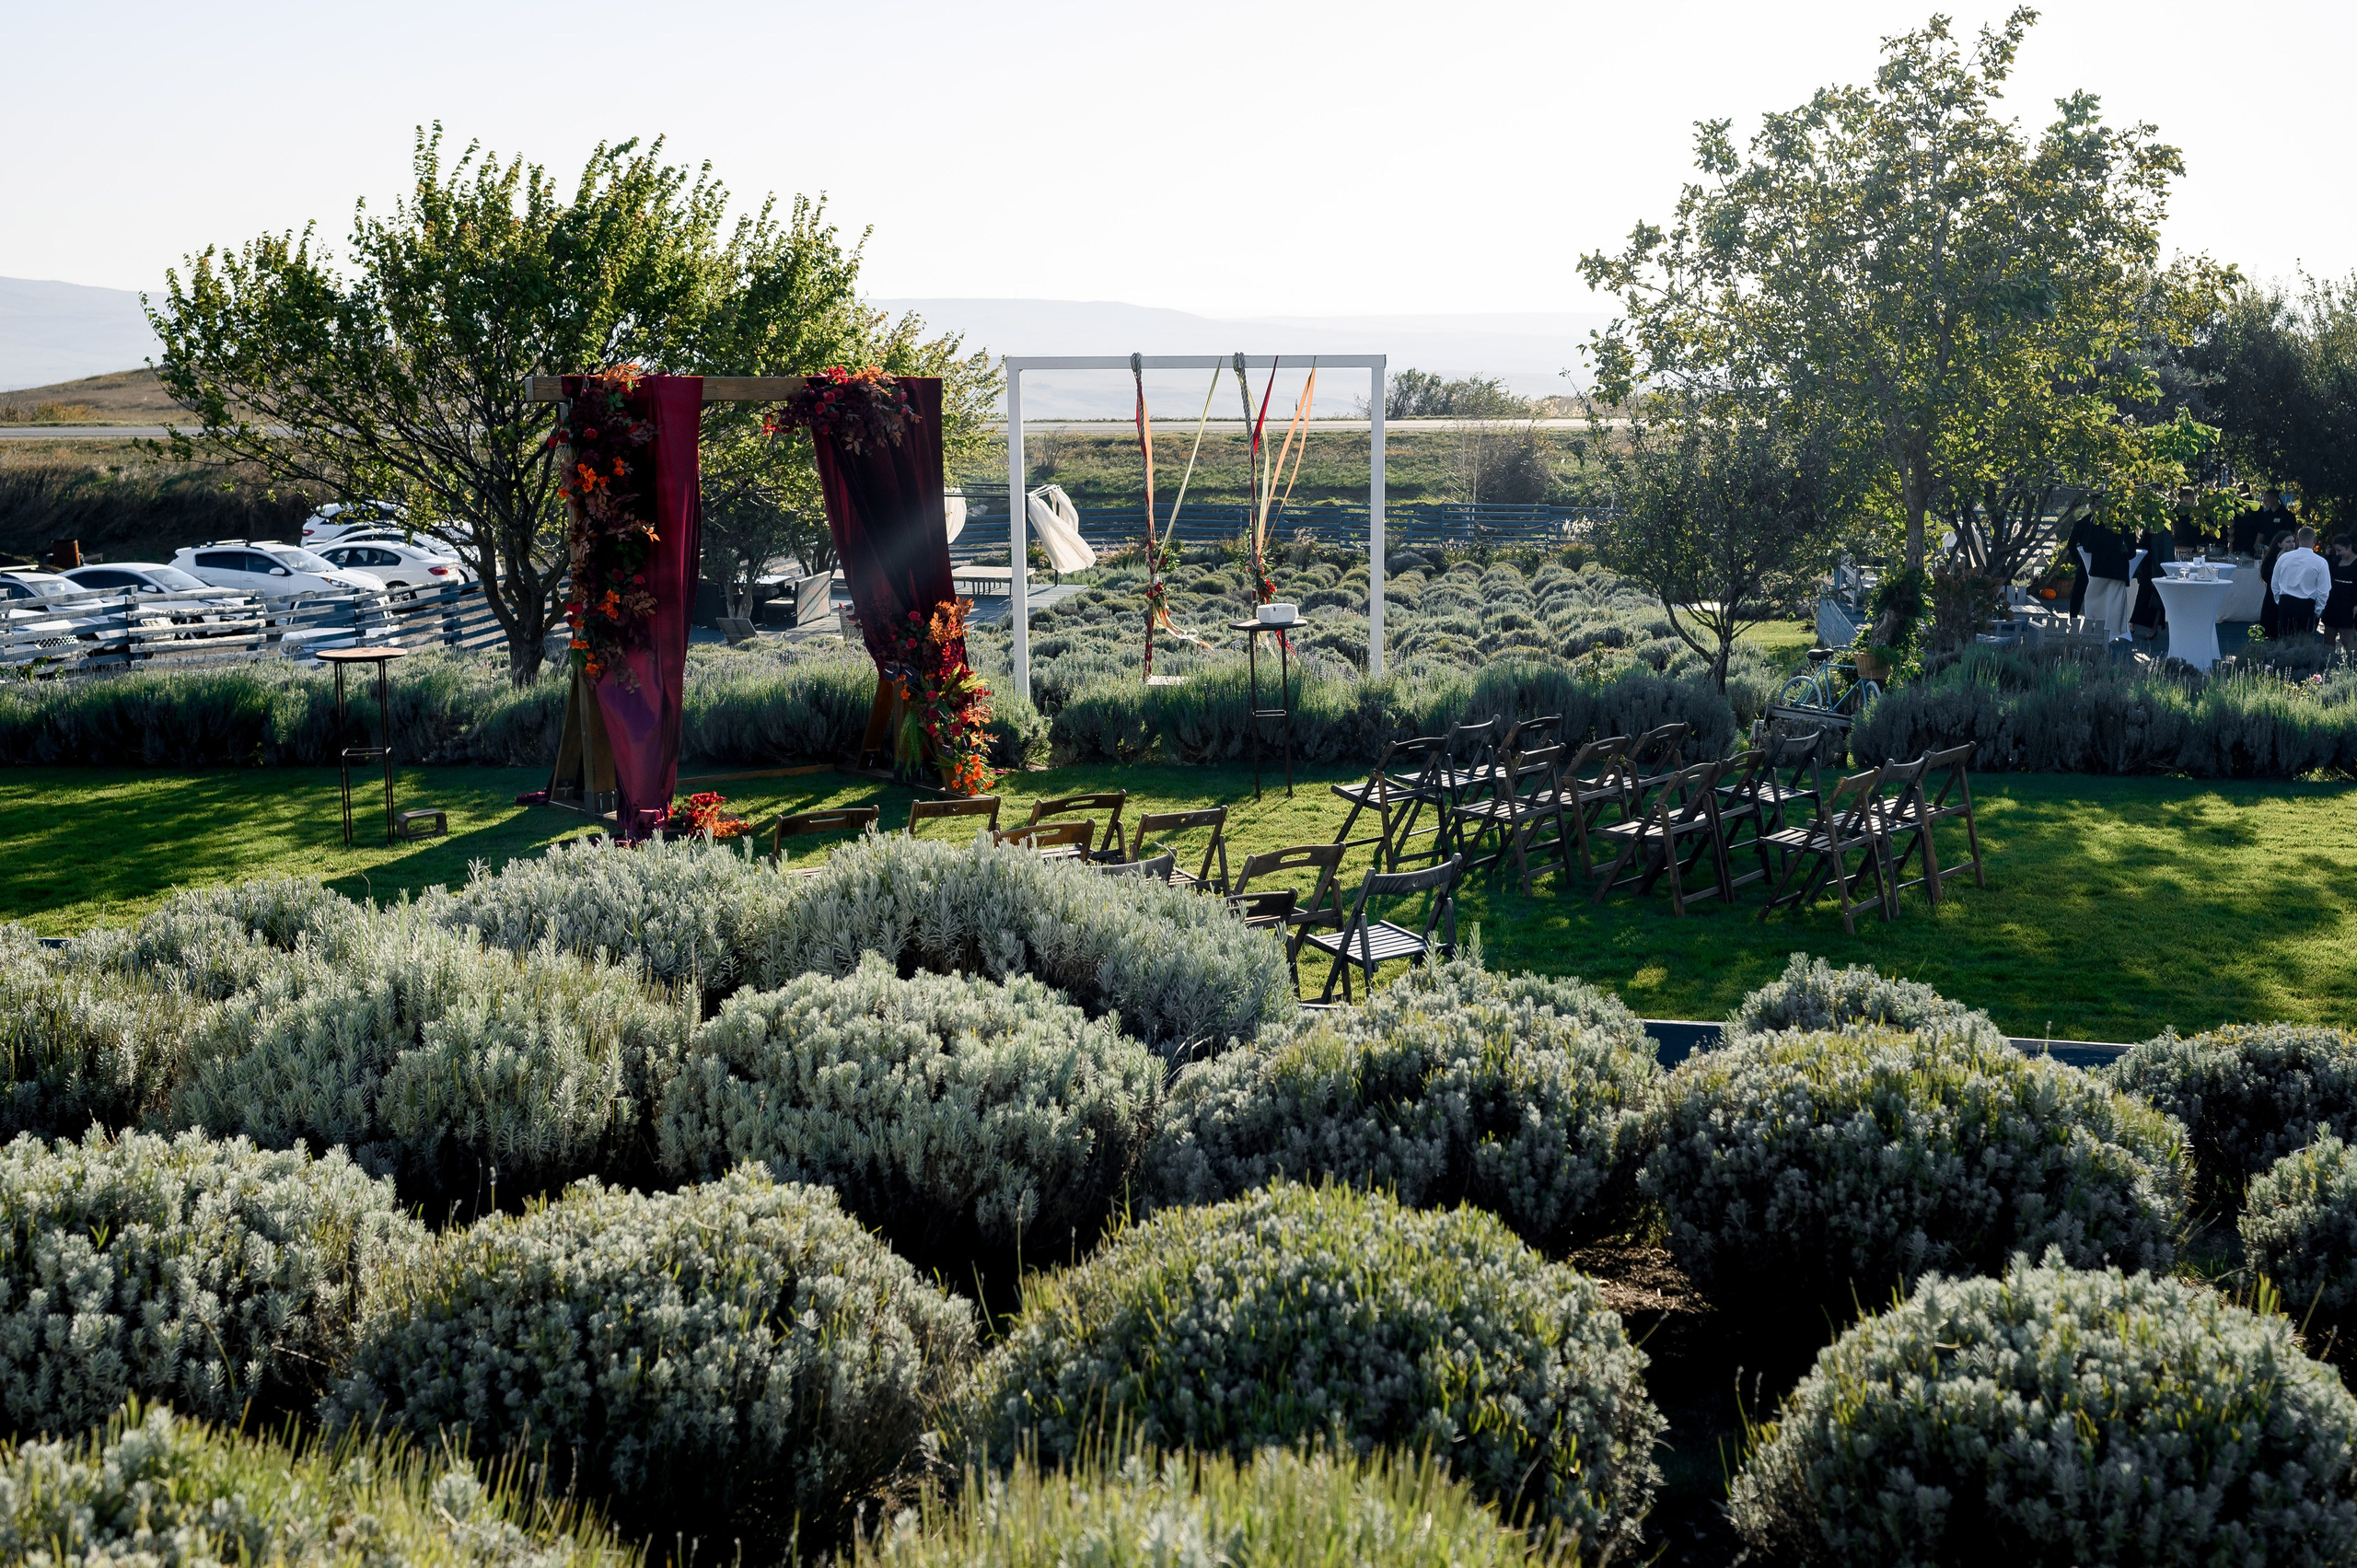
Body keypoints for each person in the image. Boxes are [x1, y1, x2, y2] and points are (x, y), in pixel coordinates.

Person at [2068, 504, 2140, 638]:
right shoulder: (2126, 525)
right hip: (2118, 572)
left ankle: (2091, 633)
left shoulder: (2097, 523)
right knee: (2114, 607)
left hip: (2098, 569)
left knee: (2093, 605)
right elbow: (2132, 553)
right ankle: (2111, 636)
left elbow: (2088, 547)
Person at [2272, 527, 2332, 639]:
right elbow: (2324, 590)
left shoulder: (2284, 558)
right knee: (2304, 642)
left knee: (2284, 640)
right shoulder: (2321, 562)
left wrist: (2279, 601)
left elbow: (2275, 583)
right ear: (2314, 540)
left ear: (2297, 540)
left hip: (2286, 602)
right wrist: (2318, 610)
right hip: (2307, 606)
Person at [2234, 487, 2296, 556]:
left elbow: (2290, 534)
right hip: (2267, 548)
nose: (2264, 502)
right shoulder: (2266, 515)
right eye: (2264, 500)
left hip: (2282, 548)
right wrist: (2256, 545)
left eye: (2267, 500)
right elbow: (2261, 532)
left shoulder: (2287, 515)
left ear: (2275, 499)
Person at [2259, 528, 2295, 637]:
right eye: (2288, 542)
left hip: (2290, 599)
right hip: (2272, 599)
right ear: (2279, 544)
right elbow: (2267, 576)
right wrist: (2279, 561)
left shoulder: (2296, 558)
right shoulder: (2270, 559)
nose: (2292, 544)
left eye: (2293, 541)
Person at [2325, 533, 2357, 649]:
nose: (2338, 553)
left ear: (2349, 547)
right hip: (2334, 601)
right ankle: (2329, 662)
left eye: (2340, 550)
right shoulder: (2337, 560)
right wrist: (2328, 557)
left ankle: (2352, 663)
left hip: (2348, 603)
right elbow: (2330, 573)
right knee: (2328, 636)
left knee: (2346, 639)